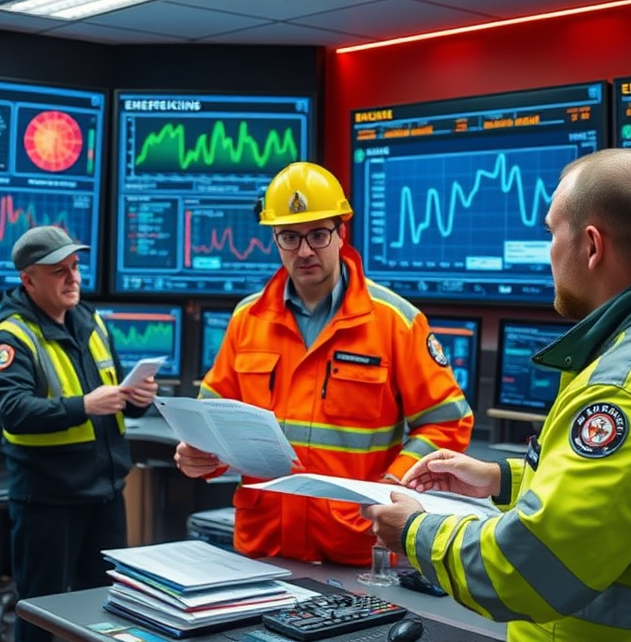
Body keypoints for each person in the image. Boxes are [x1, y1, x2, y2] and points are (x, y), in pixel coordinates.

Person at [365, 148, 631, 642]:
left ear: (591, 245)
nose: (548, 251)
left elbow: (525, 569)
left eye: (550, 232)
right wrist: (501, 480)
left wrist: (415, 532)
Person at [174, 161, 473, 566]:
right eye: (290, 237)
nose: (305, 250)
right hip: (262, 548)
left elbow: (448, 422)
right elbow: (210, 419)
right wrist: (197, 455)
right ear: (274, 239)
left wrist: (393, 482)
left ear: (341, 232)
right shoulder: (248, 319)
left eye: (318, 234)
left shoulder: (393, 321)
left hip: (358, 547)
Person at [0, 224, 158, 642]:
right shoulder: (11, 337)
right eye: (59, 271)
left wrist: (139, 396)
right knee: (39, 611)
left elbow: (114, 391)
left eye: (75, 267)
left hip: (104, 492)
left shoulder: (90, 320)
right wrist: (84, 406)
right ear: (28, 280)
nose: (73, 278)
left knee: (106, 607)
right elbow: (13, 411)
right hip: (48, 499)